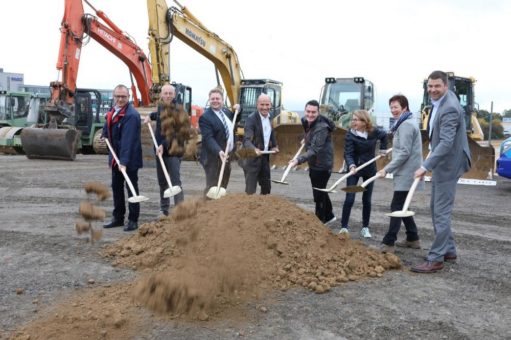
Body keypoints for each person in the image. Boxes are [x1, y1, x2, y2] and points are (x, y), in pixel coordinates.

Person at [411, 70, 471, 273]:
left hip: (449, 163)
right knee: (436, 208)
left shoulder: (450, 108)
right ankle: (449, 250)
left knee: (441, 211)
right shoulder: (443, 101)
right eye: (430, 86)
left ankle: (436, 258)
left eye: (437, 86)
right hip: (444, 160)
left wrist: (425, 166)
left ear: (446, 86)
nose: (433, 90)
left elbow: (446, 143)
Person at [377, 94, 423, 253]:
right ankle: (412, 238)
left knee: (397, 206)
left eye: (396, 107)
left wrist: (386, 169)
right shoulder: (405, 123)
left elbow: (404, 152)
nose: (393, 110)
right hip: (407, 171)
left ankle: (389, 242)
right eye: (391, 107)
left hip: (407, 172)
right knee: (403, 205)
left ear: (405, 107)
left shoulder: (406, 125)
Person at [144, 84, 192, 218]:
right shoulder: (161, 107)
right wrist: (150, 116)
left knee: (175, 182)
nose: (168, 96)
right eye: (165, 93)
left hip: (173, 151)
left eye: (170, 93)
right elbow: (158, 115)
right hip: (161, 152)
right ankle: (164, 210)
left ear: (174, 95)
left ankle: (180, 210)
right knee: (163, 182)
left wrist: (163, 145)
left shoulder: (179, 111)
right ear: (161, 95)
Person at [339, 109, 388, 238]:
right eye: (353, 119)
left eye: (356, 119)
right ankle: (344, 227)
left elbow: (384, 136)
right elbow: (348, 153)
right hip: (354, 170)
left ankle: (365, 228)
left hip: (369, 170)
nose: (353, 122)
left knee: (367, 200)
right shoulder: (350, 134)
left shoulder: (373, 132)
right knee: (350, 198)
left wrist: (383, 149)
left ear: (364, 121)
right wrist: (351, 165)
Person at [102, 84, 143, 232]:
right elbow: (108, 129)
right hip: (116, 158)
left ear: (129, 97)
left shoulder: (131, 115)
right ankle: (118, 218)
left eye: (123, 97)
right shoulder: (113, 111)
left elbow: (128, 140)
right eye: (117, 96)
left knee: (132, 189)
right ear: (114, 97)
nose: (120, 99)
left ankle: (133, 220)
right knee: (117, 188)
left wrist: (124, 162)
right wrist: (104, 134)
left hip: (129, 160)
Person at [289, 100, 336, 225]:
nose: (310, 114)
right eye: (308, 111)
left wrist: (298, 160)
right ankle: (329, 215)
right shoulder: (305, 120)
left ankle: (319, 221)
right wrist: (306, 139)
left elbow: (314, 149)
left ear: (318, 112)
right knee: (321, 191)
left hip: (323, 164)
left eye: (313, 112)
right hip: (314, 163)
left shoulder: (322, 128)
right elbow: (309, 133)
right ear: (305, 111)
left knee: (318, 194)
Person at [198, 87, 238, 196]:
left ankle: (219, 210)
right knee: (212, 188)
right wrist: (219, 151)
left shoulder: (226, 112)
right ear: (209, 100)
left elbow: (236, 118)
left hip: (227, 156)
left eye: (217, 98)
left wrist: (239, 109)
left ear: (222, 100)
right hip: (213, 158)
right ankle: (206, 208)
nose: (215, 101)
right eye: (212, 99)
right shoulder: (205, 117)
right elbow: (208, 138)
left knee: (223, 186)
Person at [242, 94, 279, 195]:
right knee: (250, 189)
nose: (264, 107)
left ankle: (263, 208)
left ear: (270, 104)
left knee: (266, 187)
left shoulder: (270, 117)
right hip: (251, 158)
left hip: (264, 158)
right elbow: (246, 140)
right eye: (262, 104)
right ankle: (249, 209)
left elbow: (271, 134)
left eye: (267, 104)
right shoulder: (251, 119)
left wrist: (275, 146)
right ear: (257, 105)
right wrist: (253, 149)